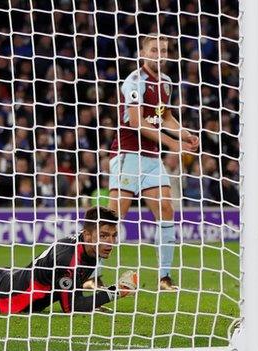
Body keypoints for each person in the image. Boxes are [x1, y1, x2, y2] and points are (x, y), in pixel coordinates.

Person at [0, 207, 138, 314]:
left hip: (10, 281)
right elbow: (71, 307)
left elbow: (70, 291)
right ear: (88, 235)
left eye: (113, 236)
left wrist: (95, 301)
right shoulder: (68, 259)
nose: (110, 242)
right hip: (5, 297)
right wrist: (114, 291)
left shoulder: (84, 249)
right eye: (104, 236)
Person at [108, 34, 199, 290]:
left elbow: (165, 116)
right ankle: (92, 275)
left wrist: (184, 133)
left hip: (151, 159)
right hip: (128, 156)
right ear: (143, 53)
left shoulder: (166, 83)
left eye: (164, 50)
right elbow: (137, 123)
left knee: (167, 210)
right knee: (113, 218)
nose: (160, 54)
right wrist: (172, 145)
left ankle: (164, 278)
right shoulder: (135, 82)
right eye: (154, 49)